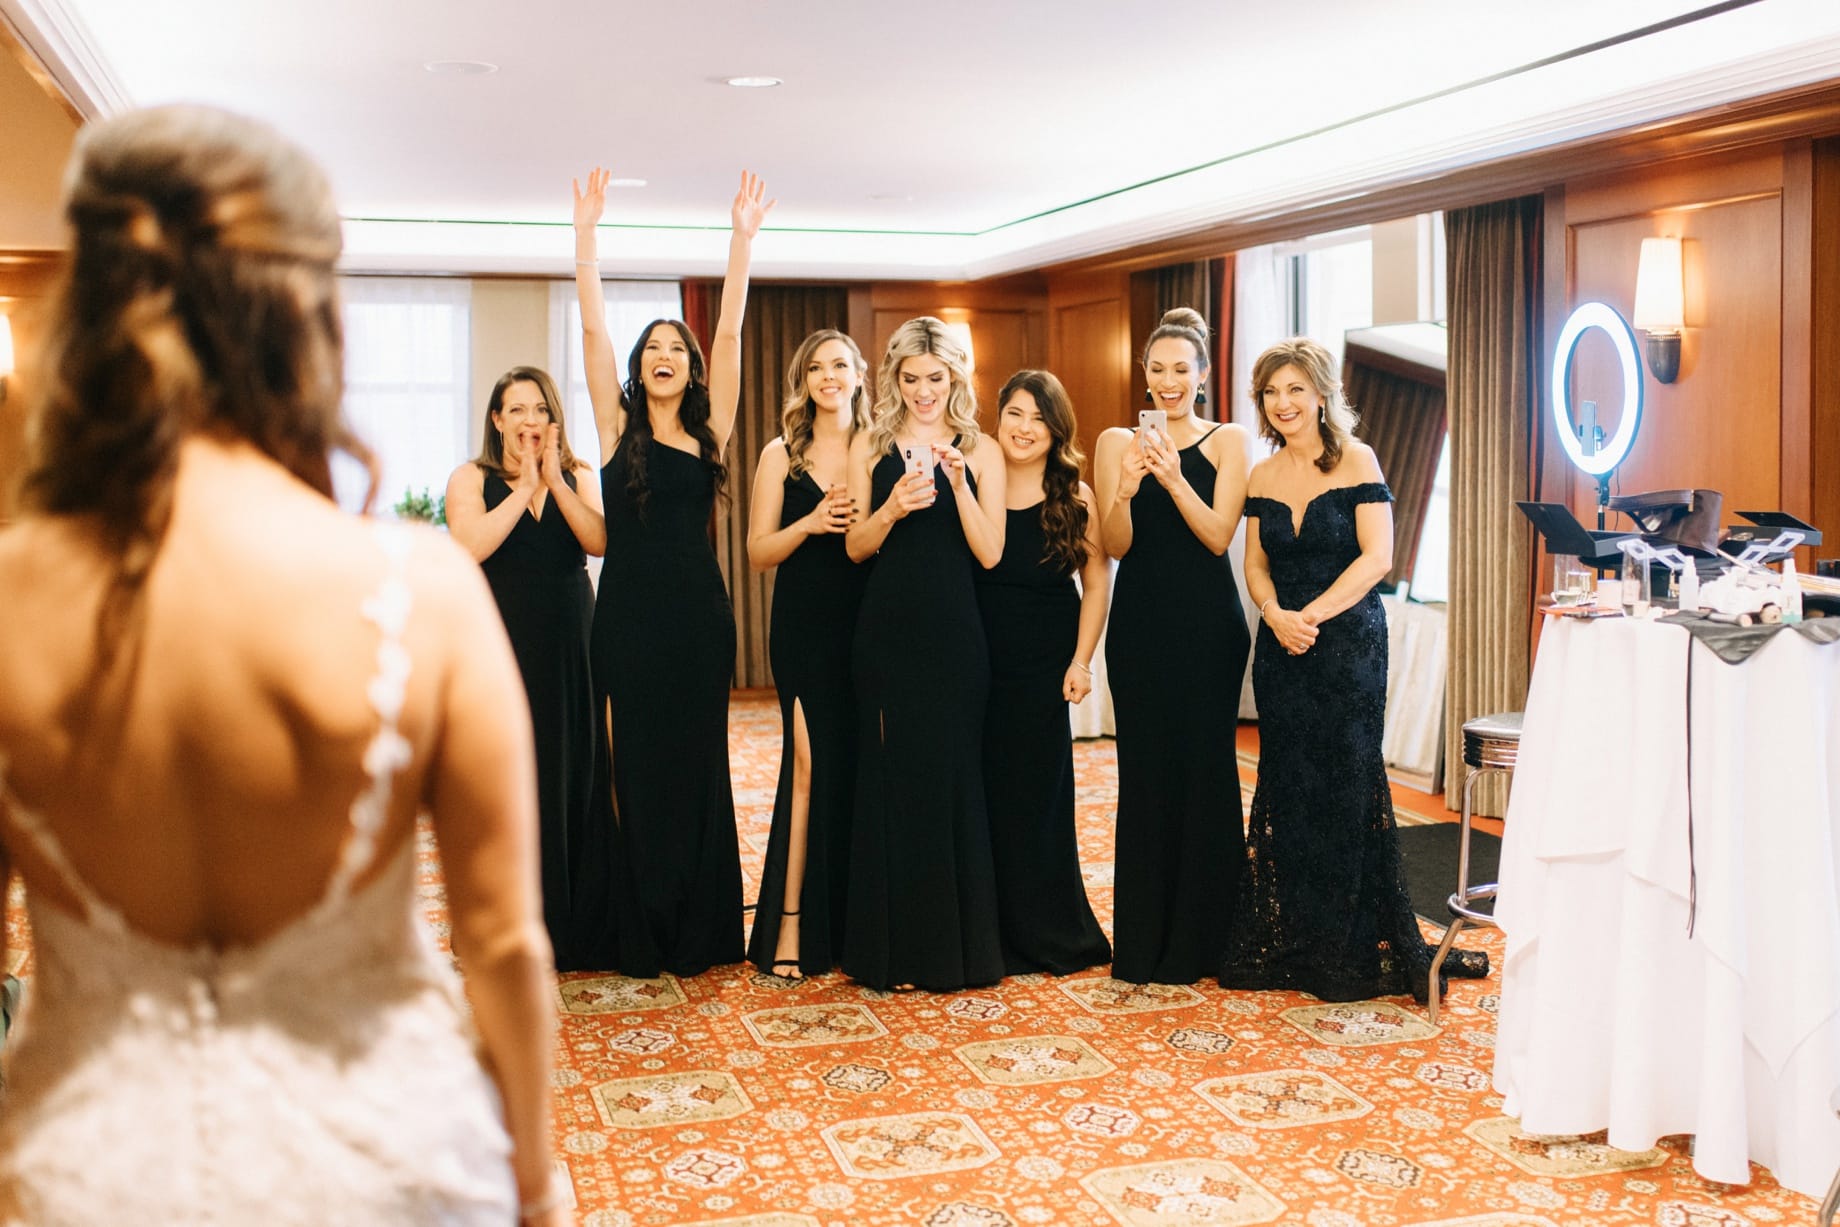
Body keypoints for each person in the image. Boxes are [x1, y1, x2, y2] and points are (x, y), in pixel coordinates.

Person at [0, 105, 568, 1225]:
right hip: (389, 1167)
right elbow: (503, 944)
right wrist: (541, 1186)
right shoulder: (422, 590)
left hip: (95, 1177)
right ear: (307, 317)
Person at [1220, 337, 1488, 1002]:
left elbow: (1378, 557)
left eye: (1294, 390)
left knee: (1345, 779)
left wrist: (1310, 614)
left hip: (1347, 647)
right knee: (1290, 781)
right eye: (1271, 393)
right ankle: (1298, 932)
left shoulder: (1358, 459)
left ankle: (1347, 938)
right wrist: (1275, 611)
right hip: (1281, 645)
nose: (1283, 403)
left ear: (1320, 394)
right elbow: (1254, 563)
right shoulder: (1262, 473)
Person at [571, 166, 770, 977]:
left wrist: (741, 243)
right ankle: (637, 917)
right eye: (651, 349)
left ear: (689, 368)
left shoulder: (710, 428)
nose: (663, 356)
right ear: (638, 368)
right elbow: (590, 334)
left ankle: (699, 919)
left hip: (696, 619)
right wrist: (586, 235)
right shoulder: (616, 423)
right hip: (624, 616)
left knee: (695, 765)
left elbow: (727, 333)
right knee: (632, 765)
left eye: (673, 349)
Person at [841, 317, 1006, 992]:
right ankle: (894, 951)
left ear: (955, 379)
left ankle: (951, 950)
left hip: (955, 631)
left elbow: (991, 553)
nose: (923, 393)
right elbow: (855, 547)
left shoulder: (982, 448)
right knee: (891, 776)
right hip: (886, 628)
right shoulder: (870, 443)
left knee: (952, 774)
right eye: (910, 380)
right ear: (894, 380)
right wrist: (892, 508)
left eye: (935, 379)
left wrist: (960, 485)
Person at [1092, 307, 1251, 985]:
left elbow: (1218, 536)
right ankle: (1145, 942)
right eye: (1156, 369)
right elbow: (1114, 544)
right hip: (1140, 627)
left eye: (1180, 369)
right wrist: (1127, 486)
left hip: (1210, 627)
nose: (1167, 381)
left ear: (1203, 374)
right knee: (1148, 776)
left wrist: (1174, 475)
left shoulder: (1230, 440)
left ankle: (1207, 941)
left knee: (1207, 773)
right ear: (1144, 374)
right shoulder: (1112, 442)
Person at [445, 367, 606, 970]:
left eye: (538, 409)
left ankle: (572, 926)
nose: (528, 421)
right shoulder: (471, 477)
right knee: (508, 776)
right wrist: (523, 487)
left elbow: (598, 541)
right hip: (501, 641)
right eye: (515, 410)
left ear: (553, 418)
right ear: (497, 421)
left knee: (571, 767)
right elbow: (469, 545)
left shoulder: (580, 475)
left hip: (572, 638)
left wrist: (556, 482)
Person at [978, 370, 1113, 975]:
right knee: (979, 796)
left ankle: (1046, 930)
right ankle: (985, 931)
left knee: (1037, 798)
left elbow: (1097, 580)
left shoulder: (1074, 496)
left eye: (1038, 417)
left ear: (1056, 429)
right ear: (997, 417)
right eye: (1015, 413)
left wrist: (1082, 660)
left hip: (1041, 668)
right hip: (976, 661)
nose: (1024, 428)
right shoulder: (974, 479)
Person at [744, 329, 869, 979]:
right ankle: (789, 925)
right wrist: (812, 522)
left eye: (840, 365)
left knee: (858, 769)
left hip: (868, 625)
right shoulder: (779, 454)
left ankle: (854, 926)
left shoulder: (878, 447)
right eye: (817, 366)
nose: (829, 375)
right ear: (803, 379)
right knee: (809, 765)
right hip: (803, 625)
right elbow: (757, 551)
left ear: (857, 375)